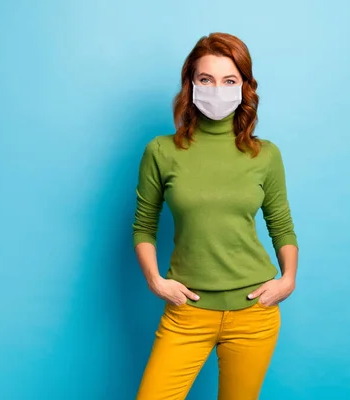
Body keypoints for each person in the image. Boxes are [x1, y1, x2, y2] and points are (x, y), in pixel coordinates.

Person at [131, 32, 299, 400]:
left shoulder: (265, 155)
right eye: (206, 79)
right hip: (187, 313)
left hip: (254, 314)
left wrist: (288, 279)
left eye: (229, 80)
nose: (217, 89)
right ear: (190, 84)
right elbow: (144, 225)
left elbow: (281, 225)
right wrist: (155, 281)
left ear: (245, 87)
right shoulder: (161, 151)